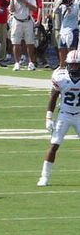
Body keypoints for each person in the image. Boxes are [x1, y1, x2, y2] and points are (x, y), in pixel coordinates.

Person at [38, 51, 80, 186]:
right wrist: (48, 117)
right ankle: (44, 177)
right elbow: (53, 98)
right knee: (54, 145)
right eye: (72, 65)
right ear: (67, 65)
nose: (74, 68)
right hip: (65, 115)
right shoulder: (61, 77)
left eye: (77, 65)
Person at [10, 0, 38, 71]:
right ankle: (17, 63)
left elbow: (34, 9)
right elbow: (12, 9)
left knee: (30, 42)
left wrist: (23, 1)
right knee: (16, 42)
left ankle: (31, 62)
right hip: (17, 20)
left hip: (28, 20)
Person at [54, 0, 79, 69]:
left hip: (72, 30)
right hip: (63, 31)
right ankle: (62, 66)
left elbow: (72, 14)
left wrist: (68, 6)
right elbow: (55, 12)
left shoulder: (76, 5)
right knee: (61, 48)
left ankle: (71, 66)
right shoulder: (63, 5)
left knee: (71, 49)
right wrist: (60, 4)